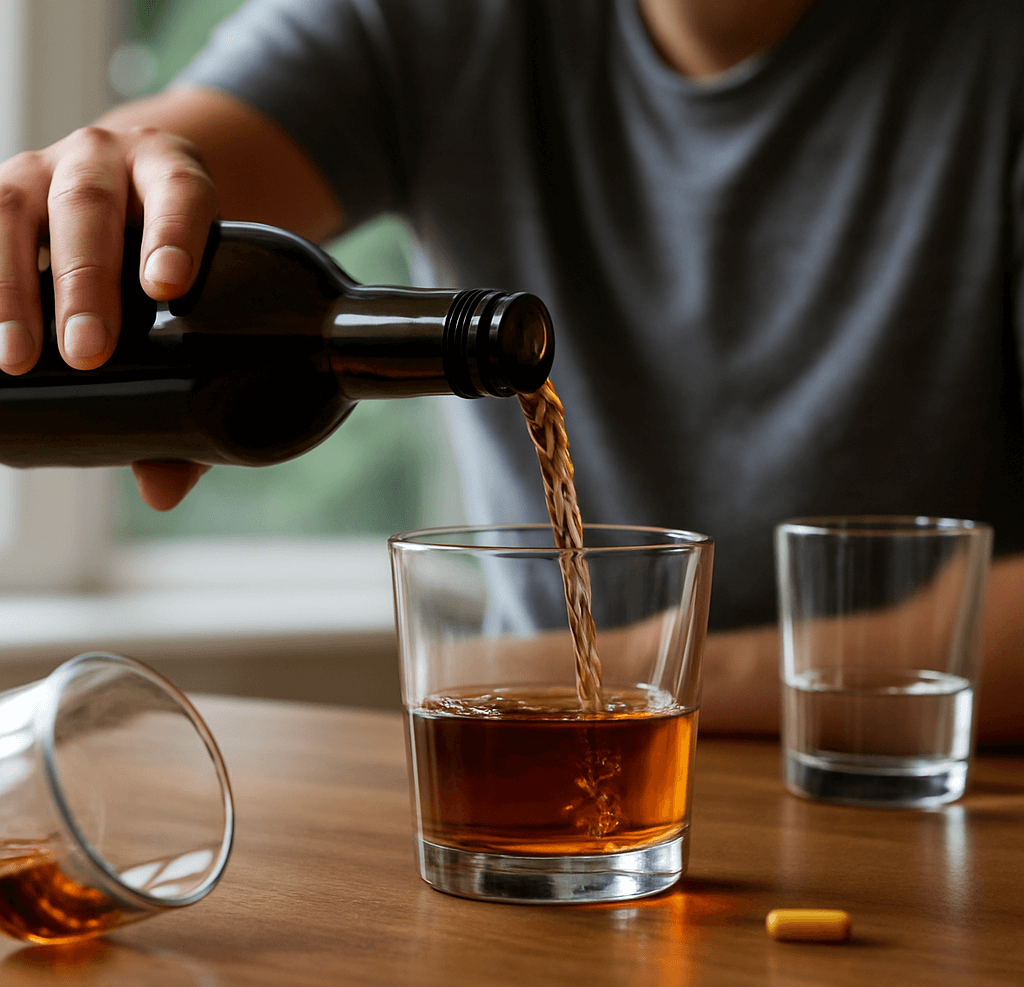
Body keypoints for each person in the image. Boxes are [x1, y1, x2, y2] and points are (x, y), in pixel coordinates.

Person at [0, 0, 1021, 739]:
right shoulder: (430, 22)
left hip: (944, 817)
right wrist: (96, 193)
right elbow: (171, 175)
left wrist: (591, 674)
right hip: (548, 822)